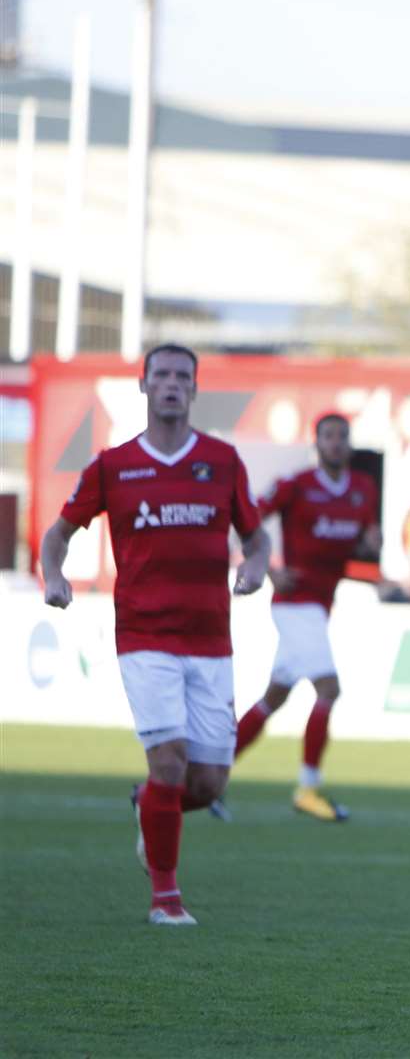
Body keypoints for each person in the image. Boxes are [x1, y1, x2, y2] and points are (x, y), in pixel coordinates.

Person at [39, 343, 269, 926]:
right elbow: (58, 534)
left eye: (181, 377)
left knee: (208, 782)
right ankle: (166, 899)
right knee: (168, 762)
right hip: (144, 636)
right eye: (160, 375)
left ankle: (148, 808)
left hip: (212, 639)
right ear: (143, 387)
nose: (170, 384)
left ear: (194, 390)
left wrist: (255, 566)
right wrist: (53, 574)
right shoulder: (113, 466)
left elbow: (257, 537)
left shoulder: (222, 461)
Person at [232, 413, 382, 821]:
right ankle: (308, 788)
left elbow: (365, 543)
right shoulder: (296, 486)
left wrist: (373, 547)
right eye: (328, 437)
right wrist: (266, 568)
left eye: (342, 436)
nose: (336, 443)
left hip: (321, 606)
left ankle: (209, 777)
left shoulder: (364, 490)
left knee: (273, 698)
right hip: (295, 604)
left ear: (349, 444)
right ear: (317, 444)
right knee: (329, 690)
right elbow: (247, 521)